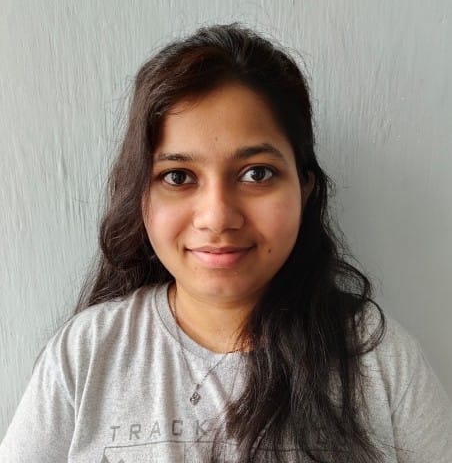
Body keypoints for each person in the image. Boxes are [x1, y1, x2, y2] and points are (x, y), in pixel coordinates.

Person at [0, 23, 451, 463]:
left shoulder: (377, 358)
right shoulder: (86, 354)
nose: (217, 217)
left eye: (257, 173)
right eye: (178, 177)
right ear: (139, 194)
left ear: (304, 188)